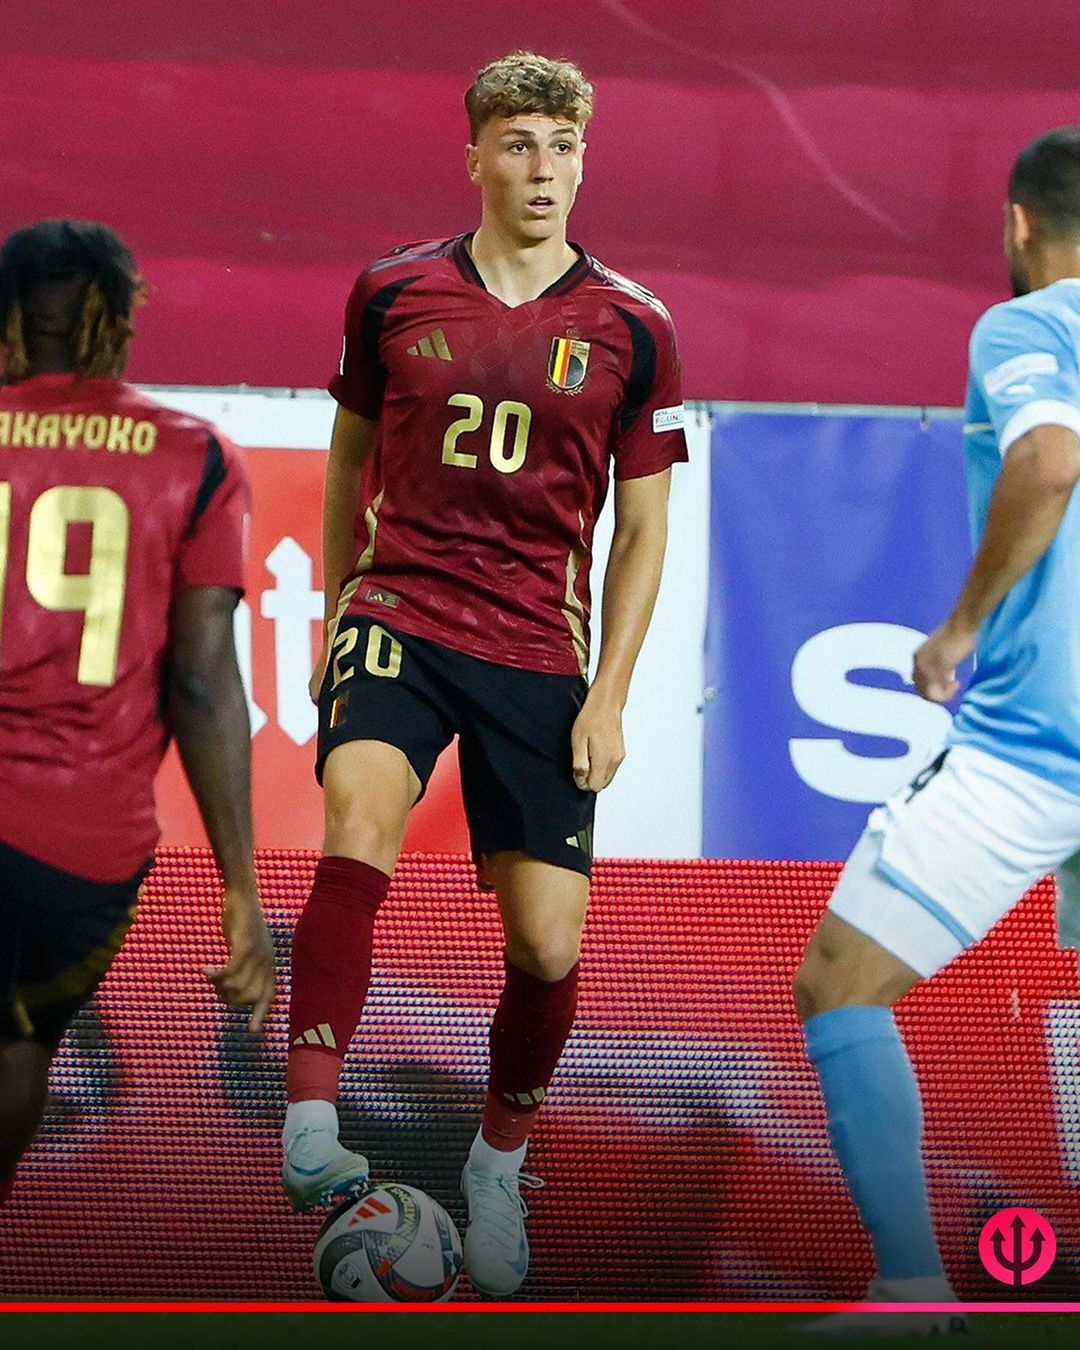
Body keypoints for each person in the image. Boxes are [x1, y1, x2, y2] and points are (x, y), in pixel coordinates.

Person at [282, 51, 687, 1296]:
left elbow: (645, 529)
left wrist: (611, 693)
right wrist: (340, 606)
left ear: (584, 161)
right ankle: (311, 1121)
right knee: (357, 818)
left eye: (563, 146)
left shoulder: (636, 325)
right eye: (519, 143)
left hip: (536, 648)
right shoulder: (392, 289)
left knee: (549, 946)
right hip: (401, 611)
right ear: (475, 158)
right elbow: (347, 458)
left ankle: (498, 1163)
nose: (543, 169)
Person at [794, 126, 1080, 1335]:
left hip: (1039, 747)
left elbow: (1051, 458)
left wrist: (958, 627)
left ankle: (912, 1290)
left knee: (841, 982)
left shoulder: (1029, 327)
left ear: (1019, 221)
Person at [0, 219, 276, 1209]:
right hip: (82, 848)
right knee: (21, 1043)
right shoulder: (194, 455)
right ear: (115, 321)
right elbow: (201, 683)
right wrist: (240, 887)